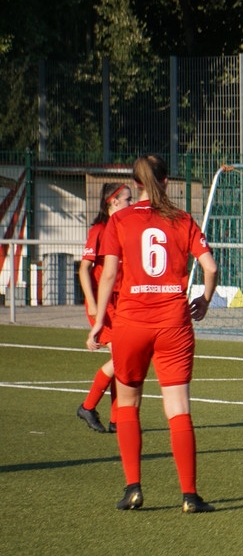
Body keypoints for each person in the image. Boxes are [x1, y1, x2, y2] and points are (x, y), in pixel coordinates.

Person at [86, 154, 219, 513]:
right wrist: (204, 301)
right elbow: (211, 267)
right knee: (178, 408)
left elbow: (110, 274)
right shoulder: (182, 219)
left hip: (130, 322)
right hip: (173, 323)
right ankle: (189, 496)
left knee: (128, 404)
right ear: (164, 182)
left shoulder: (121, 220)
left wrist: (99, 320)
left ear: (139, 183)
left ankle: (133, 489)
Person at [77, 182, 131, 433]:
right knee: (121, 356)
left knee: (122, 358)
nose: (131, 204)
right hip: (103, 302)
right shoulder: (99, 229)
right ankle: (88, 407)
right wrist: (92, 303)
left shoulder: (122, 228)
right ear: (114, 202)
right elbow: (84, 268)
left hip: (120, 301)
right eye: (127, 199)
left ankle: (115, 420)